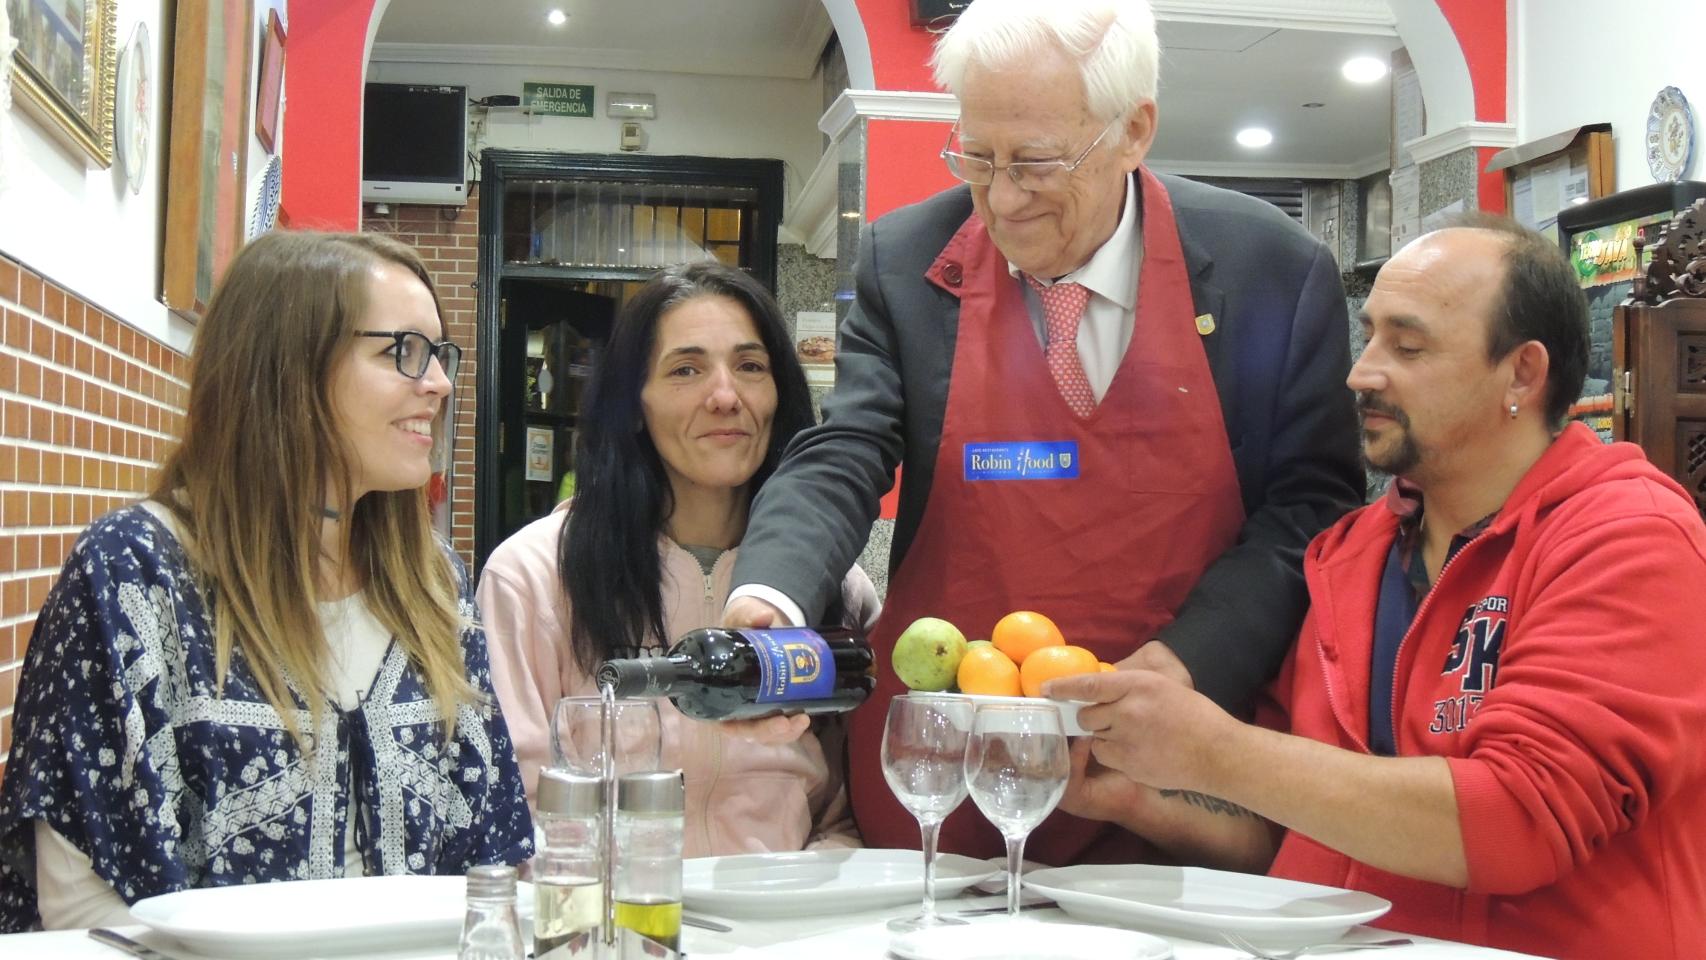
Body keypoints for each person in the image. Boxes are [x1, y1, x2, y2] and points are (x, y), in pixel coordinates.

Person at [723, 0, 1362, 863]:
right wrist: (775, 596)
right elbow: (847, 448)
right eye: (976, 158)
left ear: (1133, 131)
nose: (1002, 199)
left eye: (1035, 163)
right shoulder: (906, 259)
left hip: (1177, 778)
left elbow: (1312, 505)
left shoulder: (1269, 273)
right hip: (948, 771)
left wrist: (1184, 664)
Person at [1047, 217, 1706, 959]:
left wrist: (1215, 750)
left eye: (1408, 346)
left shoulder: (1628, 536)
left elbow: (1523, 819)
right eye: (1369, 338)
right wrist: (1133, 792)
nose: (1362, 372)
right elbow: (1294, 832)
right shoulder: (1349, 553)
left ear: (1522, 373)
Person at [0, 232, 534, 932]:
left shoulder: (437, 585)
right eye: (401, 351)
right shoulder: (135, 576)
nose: (436, 382)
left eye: (439, 354)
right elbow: (84, 908)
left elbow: (494, 864)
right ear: (288, 371)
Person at [476, 262, 879, 856]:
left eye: (750, 367)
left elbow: (851, 814)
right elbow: (517, 809)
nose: (725, 396)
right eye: (686, 370)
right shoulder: (533, 577)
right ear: (634, 404)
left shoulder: (834, 587)